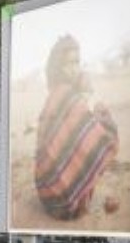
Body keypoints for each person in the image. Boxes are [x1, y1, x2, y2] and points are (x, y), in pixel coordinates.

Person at [33, 35, 119, 220]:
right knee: (100, 137)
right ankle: (76, 198)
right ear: (59, 66)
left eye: (77, 62)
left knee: (84, 135)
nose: (75, 68)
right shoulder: (67, 96)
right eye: (69, 63)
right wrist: (102, 113)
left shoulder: (57, 93)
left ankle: (75, 191)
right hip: (64, 204)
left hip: (48, 196)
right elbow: (101, 141)